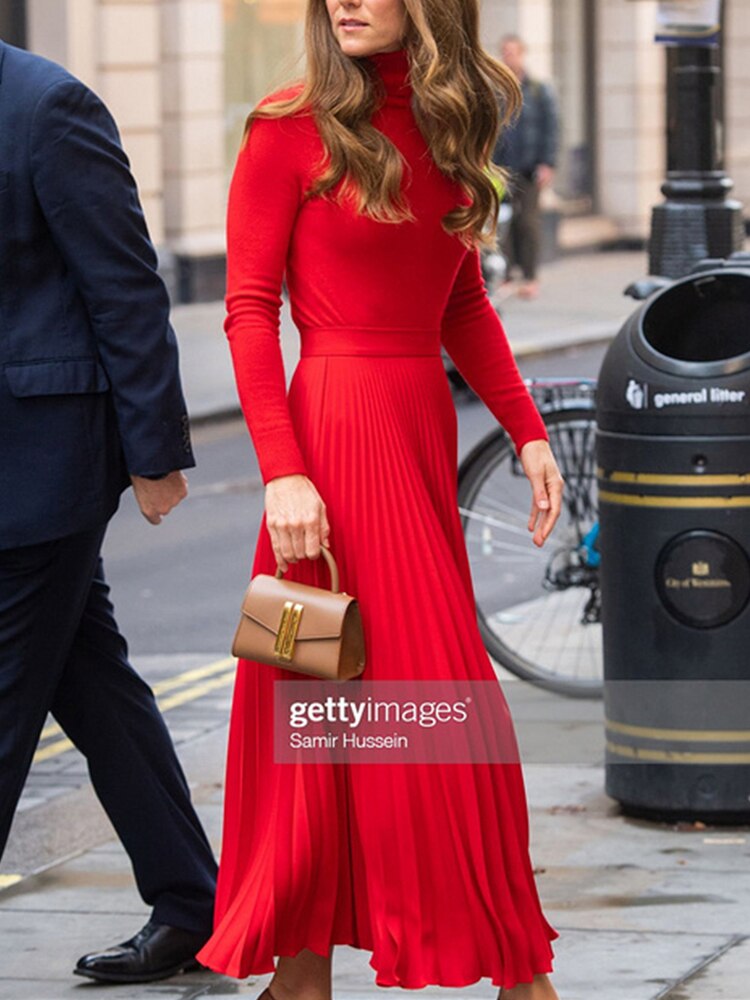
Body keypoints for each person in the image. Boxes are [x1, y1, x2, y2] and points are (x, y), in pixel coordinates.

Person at [197, 1, 564, 998]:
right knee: (322, 707)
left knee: (436, 712)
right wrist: (281, 468)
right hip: (326, 445)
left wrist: (527, 429)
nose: (345, 1)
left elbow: (460, 299)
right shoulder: (288, 129)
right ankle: (307, 967)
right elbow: (245, 311)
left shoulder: (458, 122)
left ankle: (496, 958)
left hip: (413, 433)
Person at [0, 38, 218, 983]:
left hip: (38, 465)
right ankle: (194, 905)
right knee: (92, 681)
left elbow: (126, 285)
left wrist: (154, 450)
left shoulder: (50, 106)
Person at [493, 34, 559, 301]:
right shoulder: (496, 89)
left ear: (522, 54)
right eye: (505, 52)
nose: (509, 57)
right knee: (503, 221)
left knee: (528, 221)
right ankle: (506, 274)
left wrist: (548, 163)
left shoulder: (537, 89)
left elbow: (551, 128)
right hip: (501, 167)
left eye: (513, 52)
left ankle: (531, 276)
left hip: (530, 166)